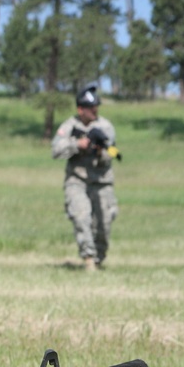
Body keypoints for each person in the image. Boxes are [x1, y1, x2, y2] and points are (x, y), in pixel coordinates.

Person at [51, 85, 119, 272]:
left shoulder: (105, 127)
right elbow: (55, 150)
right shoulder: (69, 126)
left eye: (96, 106)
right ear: (80, 109)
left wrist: (101, 152)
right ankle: (88, 258)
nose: (95, 110)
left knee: (104, 224)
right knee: (81, 217)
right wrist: (77, 145)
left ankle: (98, 257)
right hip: (77, 180)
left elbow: (114, 152)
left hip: (101, 181)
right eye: (91, 107)